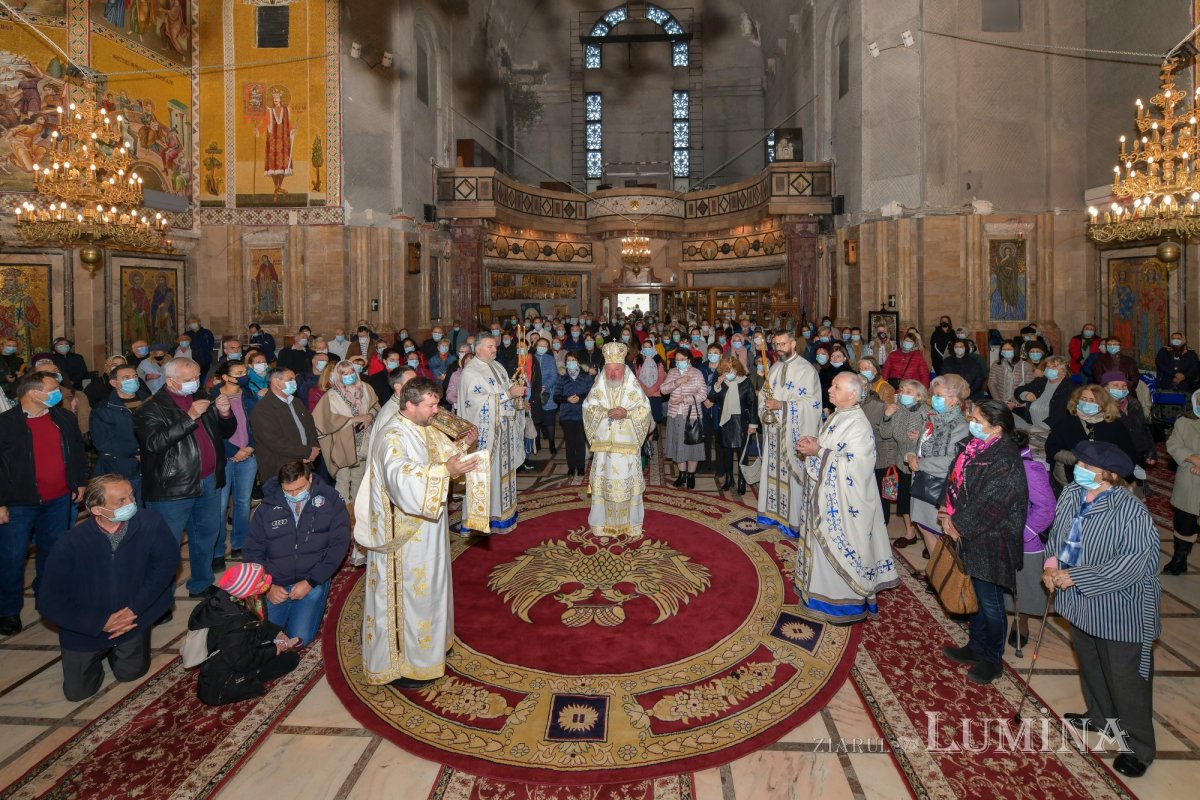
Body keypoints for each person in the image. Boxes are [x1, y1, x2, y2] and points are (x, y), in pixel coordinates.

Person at [355, 378, 485, 688]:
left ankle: (430, 650)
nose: (436, 411)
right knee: (410, 594)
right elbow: (403, 479)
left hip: (428, 527)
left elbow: (444, 452)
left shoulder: (422, 427)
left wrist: (464, 445)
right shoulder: (392, 436)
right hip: (404, 535)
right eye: (431, 405)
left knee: (431, 590)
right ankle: (404, 665)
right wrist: (446, 472)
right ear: (409, 405)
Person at [1043, 441, 1160, 779]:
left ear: (1108, 475)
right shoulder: (1072, 494)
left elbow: (1131, 566)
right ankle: (1099, 716)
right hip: (1080, 603)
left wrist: (1073, 575)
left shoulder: (1131, 511)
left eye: (1086, 466)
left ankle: (1139, 747)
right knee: (1091, 663)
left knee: (1127, 681)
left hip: (1121, 610)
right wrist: (1051, 565)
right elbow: (1059, 535)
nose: (1078, 468)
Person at [37, 476, 177, 700]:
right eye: (120, 501)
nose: (131, 503)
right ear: (97, 510)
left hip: (132, 619)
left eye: (131, 496)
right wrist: (100, 622)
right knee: (78, 693)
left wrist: (134, 610)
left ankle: (119, 651)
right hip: (85, 627)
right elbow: (49, 602)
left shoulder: (150, 522)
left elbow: (165, 566)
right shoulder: (71, 544)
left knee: (131, 674)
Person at [794, 373, 899, 621]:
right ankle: (818, 595)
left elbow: (857, 465)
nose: (829, 389)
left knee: (838, 548)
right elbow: (834, 447)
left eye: (836, 386)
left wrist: (818, 450)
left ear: (852, 394)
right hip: (829, 495)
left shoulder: (858, 424)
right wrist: (816, 442)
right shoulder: (839, 416)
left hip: (844, 503)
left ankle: (841, 604)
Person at [937, 401, 1029, 684]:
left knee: (990, 602)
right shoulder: (971, 445)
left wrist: (959, 526)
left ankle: (992, 659)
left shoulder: (1006, 458)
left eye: (977, 419)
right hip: (965, 532)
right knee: (974, 595)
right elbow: (952, 478)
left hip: (992, 539)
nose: (972, 422)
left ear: (997, 428)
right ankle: (975, 647)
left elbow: (993, 502)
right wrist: (944, 511)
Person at [135, 358, 238, 598]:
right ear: (170, 381)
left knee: (206, 535)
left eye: (197, 377)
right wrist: (189, 416)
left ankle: (201, 583)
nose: (195, 383)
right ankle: (160, 596)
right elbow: (155, 443)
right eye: (188, 380)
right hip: (173, 487)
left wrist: (224, 414)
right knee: (166, 545)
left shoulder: (201, 396)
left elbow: (225, 432)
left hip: (208, 480)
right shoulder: (150, 408)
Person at [0, 371, 88, 636]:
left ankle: (48, 601)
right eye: (52, 388)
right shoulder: (6, 424)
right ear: (33, 393)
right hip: (17, 503)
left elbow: (77, 451)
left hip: (59, 499)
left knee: (53, 554)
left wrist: (79, 481)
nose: (57, 392)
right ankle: (7, 610)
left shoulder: (63, 418)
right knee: (11, 558)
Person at [242, 461, 348, 646]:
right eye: (288, 491)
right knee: (266, 637)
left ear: (311, 479)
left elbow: (339, 546)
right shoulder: (266, 507)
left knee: (300, 638)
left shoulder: (331, 501)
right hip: (275, 583)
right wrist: (266, 587)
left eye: (299, 489)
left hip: (311, 580)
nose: (293, 495)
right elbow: (252, 551)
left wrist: (311, 582)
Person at [188, 562, 301, 705]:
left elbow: (260, 625)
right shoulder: (233, 622)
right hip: (225, 680)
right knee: (288, 660)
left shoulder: (249, 598)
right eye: (261, 579)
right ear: (247, 588)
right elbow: (242, 660)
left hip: (242, 653)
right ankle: (248, 680)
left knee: (290, 658)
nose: (266, 579)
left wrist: (277, 634)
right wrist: (274, 649)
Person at [456, 334, 525, 534]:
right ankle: (479, 519)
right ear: (478, 349)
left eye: (494, 346)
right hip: (486, 436)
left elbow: (503, 392)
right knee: (483, 476)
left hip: (502, 432)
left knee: (501, 476)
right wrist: (509, 394)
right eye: (490, 346)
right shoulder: (470, 372)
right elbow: (478, 403)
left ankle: (502, 515)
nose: (494, 349)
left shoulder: (497, 366)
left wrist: (516, 400)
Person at [583, 344, 653, 539]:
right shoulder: (599, 387)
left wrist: (627, 413)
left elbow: (645, 409)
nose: (613, 374)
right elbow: (587, 408)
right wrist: (605, 413)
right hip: (605, 450)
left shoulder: (633, 386)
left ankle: (630, 525)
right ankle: (602, 525)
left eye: (617, 369)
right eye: (609, 370)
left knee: (627, 487)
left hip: (627, 449)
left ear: (624, 369)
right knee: (604, 486)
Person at [757, 330, 822, 539]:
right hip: (774, 432)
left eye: (782, 344)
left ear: (793, 343)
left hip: (793, 434)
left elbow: (812, 404)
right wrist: (766, 407)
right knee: (772, 474)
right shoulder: (774, 368)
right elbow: (764, 395)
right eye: (776, 344)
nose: (778, 348)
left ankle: (793, 521)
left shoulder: (806, 370)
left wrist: (782, 406)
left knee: (793, 480)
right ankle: (772, 516)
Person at [907, 374, 971, 563]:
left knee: (939, 532)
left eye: (940, 395)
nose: (934, 398)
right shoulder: (932, 418)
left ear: (955, 400)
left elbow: (953, 460)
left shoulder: (960, 426)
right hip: (921, 480)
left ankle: (942, 576)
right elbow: (919, 444)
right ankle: (936, 573)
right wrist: (910, 455)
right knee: (925, 528)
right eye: (934, 394)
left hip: (939, 485)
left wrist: (920, 463)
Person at [1006, 433, 1057, 649]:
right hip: (1001, 536)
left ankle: (1021, 621)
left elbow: (1045, 509)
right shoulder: (1002, 462)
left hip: (1025, 541)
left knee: (1024, 588)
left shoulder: (1030, 469)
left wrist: (1023, 533)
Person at [1045, 385, 1139, 492]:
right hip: (1073, 474)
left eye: (1092, 400)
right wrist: (1078, 460)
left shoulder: (1114, 424)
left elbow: (1129, 453)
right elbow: (1051, 448)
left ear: (1102, 404)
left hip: (1107, 477)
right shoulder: (1066, 423)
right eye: (1083, 399)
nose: (1087, 403)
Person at [313, 359, 379, 505]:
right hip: (342, 442)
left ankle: (357, 509)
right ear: (337, 375)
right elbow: (324, 420)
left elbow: (375, 406)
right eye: (344, 373)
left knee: (359, 477)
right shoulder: (331, 395)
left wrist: (370, 416)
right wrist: (354, 419)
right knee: (343, 479)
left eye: (351, 372)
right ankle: (341, 511)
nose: (349, 375)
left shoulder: (366, 388)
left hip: (364, 440)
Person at [212, 360, 258, 566]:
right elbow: (211, 431)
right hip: (223, 457)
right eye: (239, 373)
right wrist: (234, 451)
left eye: (244, 371)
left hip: (248, 455)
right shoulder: (213, 396)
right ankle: (217, 550)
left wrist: (251, 447)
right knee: (220, 506)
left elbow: (258, 423)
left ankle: (240, 544)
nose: (244, 375)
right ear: (225, 377)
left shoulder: (248, 394)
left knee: (242, 502)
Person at [249, 368, 321, 485]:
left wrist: (313, 449)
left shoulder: (296, 402)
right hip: (280, 467)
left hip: (304, 462)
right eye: (290, 379)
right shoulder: (263, 409)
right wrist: (306, 452)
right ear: (276, 383)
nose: (294, 382)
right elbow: (274, 441)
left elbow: (310, 427)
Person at [91, 364, 149, 504]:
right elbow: (103, 442)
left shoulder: (149, 400)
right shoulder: (104, 408)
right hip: (120, 467)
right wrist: (137, 452)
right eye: (126, 377)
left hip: (150, 465)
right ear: (113, 382)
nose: (133, 380)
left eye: (135, 376)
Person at [880, 379, 929, 546]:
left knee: (921, 502)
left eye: (909, 392)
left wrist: (921, 435)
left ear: (919, 396)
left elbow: (933, 436)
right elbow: (886, 434)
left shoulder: (926, 412)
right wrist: (887, 416)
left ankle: (930, 541)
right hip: (902, 460)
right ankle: (910, 533)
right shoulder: (897, 409)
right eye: (902, 390)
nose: (903, 394)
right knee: (904, 500)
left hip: (921, 463)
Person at [709, 354, 759, 494]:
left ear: (737, 369)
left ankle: (742, 480)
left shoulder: (746, 382)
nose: (728, 373)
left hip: (742, 422)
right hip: (726, 421)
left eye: (731, 369)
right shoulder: (722, 383)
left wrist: (752, 425)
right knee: (727, 452)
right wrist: (717, 384)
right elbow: (712, 398)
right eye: (725, 370)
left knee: (742, 454)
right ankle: (729, 478)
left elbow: (752, 404)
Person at [661, 346, 709, 489]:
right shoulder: (673, 372)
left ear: (688, 360)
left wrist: (684, 399)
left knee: (692, 445)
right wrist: (678, 382)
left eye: (682, 359)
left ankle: (691, 475)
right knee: (679, 445)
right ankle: (682, 474)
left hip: (692, 415)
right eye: (677, 360)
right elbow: (663, 389)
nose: (680, 362)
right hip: (675, 415)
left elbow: (703, 394)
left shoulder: (697, 373)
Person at [1165, 388, 1200, 575]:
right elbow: (1173, 443)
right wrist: (1194, 459)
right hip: (1189, 479)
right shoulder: (1184, 421)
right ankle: (1180, 558)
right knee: (1184, 522)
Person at [1101, 372, 1156, 470]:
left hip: (1137, 452)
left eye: (1124, 385)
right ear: (1105, 388)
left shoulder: (1133, 403)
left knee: (1137, 482)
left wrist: (1150, 450)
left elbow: (1144, 427)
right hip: (1115, 456)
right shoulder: (1101, 408)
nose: (1121, 388)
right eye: (1116, 385)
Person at [555, 351, 594, 477]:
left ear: (578, 362)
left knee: (580, 441)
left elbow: (592, 395)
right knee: (570, 441)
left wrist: (580, 398)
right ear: (566, 363)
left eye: (573, 360)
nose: (571, 363)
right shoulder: (562, 377)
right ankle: (571, 467)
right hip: (567, 415)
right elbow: (556, 396)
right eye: (569, 361)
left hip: (582, 414)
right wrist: (567, 399)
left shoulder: (586, 377)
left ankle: (581, 466)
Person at [988, 341, 1020, 407]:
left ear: (1015, 350)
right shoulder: (996, 364)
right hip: (1000, 402)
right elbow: (991, 383)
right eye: (1004, 349)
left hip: (1018, 403)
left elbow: (1028, 385)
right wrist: (998, 400)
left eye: (1009, 349)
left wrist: (1015, 403)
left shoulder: (1023, 365)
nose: (1006, 351)